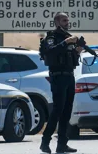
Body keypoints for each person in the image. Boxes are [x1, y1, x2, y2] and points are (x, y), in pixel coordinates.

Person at [39, 12, 82, 153]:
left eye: (67, 20)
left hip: (69, 76)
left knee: (67, 112)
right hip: (58, 77)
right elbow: (50, 52)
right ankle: (45, 142)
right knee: (58, 110)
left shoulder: (67, 37)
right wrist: (66, 42)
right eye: (64, 20)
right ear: (57, 22)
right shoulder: (52, 38)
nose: (67, 22)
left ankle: (62, 144)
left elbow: (72, 60)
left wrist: (77, 51)